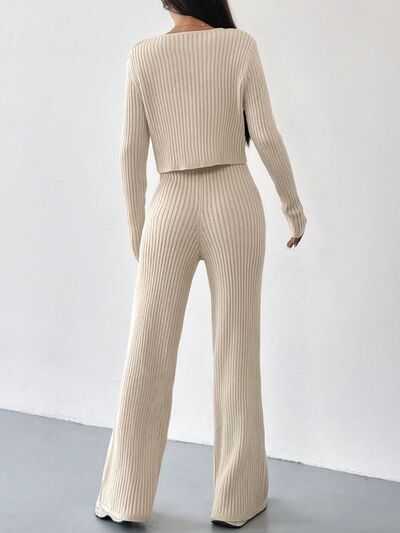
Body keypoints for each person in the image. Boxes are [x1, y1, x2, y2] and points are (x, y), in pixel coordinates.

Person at [95, 0, 307, 528]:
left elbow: (130, 152)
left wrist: (139, 231)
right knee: (237, 349)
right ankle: (238, 500)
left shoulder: (143, 56)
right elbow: (266, 135)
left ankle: (124, 498)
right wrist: (293, 208)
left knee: (147, 353)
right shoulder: (239, 46)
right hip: (235, 200)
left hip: (169, 205)